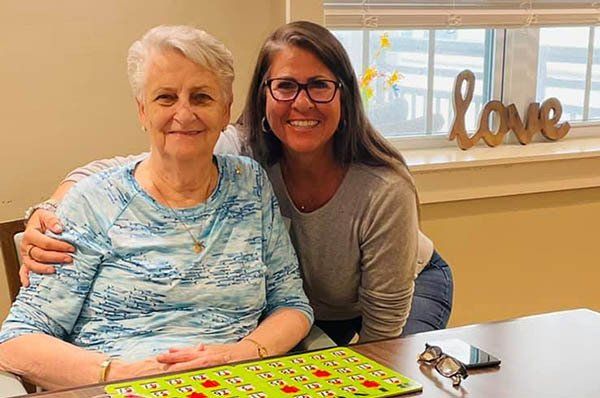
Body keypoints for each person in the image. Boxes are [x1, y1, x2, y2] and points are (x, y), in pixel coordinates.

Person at [20, 21, 452, 346]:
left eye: (319, 85)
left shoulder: (382, 188)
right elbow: (136, 165)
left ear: (344, 94)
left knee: (390, 375)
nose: (301, 102)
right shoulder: (241, 148)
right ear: (262, 95)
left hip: (397, 294)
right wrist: (50, 211)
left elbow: (382, 334)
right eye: (284, 86)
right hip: (305, 312)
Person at [0, 25, 313, 391]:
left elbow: (292, 305)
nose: (184, 113)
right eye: (166, 97)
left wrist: (239, 353)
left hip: (234, 383)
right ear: (142, 111)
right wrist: (124, 375)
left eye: (201, 97)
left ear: (226, 109)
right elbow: (17, 341)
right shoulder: (94, 202)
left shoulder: (250, 185)